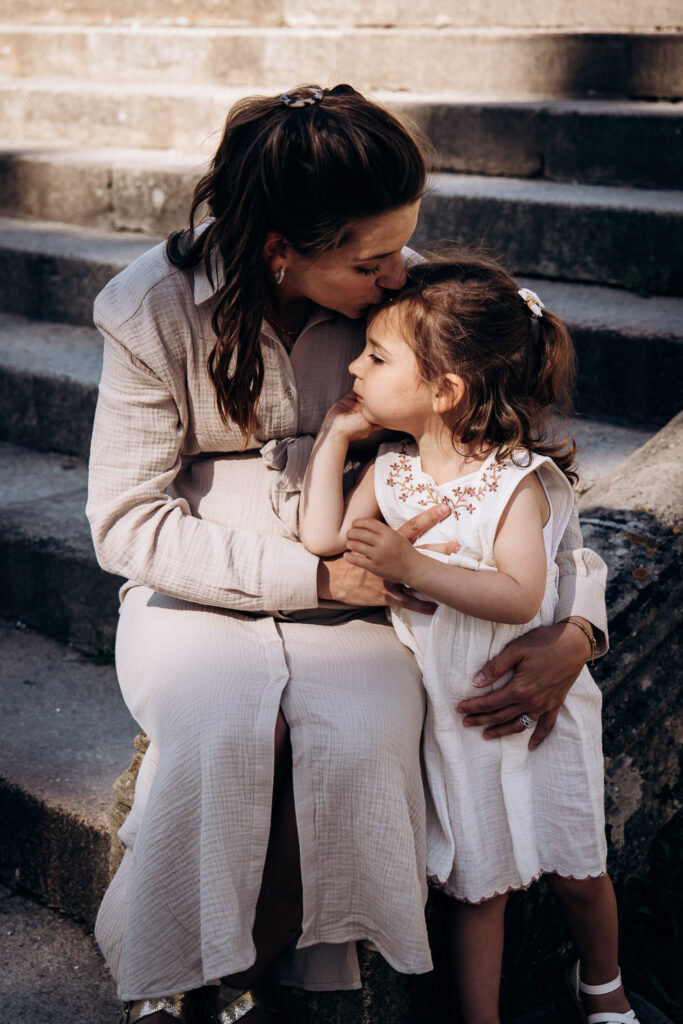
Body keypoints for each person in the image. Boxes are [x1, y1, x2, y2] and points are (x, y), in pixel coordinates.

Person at [86, 84, 608, 1024]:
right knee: (214, 728)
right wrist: (314, 574)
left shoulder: (408, 313)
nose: (399, 270)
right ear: (279, 250)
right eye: (371, 257)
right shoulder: (150, 309)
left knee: (364, 740)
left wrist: (577, 629)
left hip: (376, 606)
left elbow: (517, 482)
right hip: (199, 587)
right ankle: (176, 980)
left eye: (404, 240)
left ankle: (254, 972)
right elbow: (126, 522)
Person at [299, 253, 636, 1024]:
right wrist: (331, 435)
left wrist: (412, 563)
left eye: (376, 357)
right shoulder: (389, 471)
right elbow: (327, 537)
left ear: (445, 391)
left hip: (537, 710)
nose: (354, 363)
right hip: (454, 715)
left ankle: (604, 986)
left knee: (578, 866)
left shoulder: (513, 482)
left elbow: (519, 594)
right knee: (477, 882)